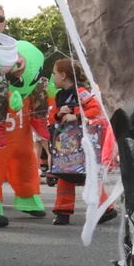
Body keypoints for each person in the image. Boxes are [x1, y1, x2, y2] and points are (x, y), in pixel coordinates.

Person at [48, 57, 113, 227]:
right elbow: (51, 117)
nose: (52, 78)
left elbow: (96, 109)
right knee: (64, 175)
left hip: (82, 140)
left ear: (63, 75)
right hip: (65, 142)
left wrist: (76, 115)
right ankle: (63, 211)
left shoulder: (81, 91)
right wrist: (59, 114)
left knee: (86, 174)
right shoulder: (59, 96)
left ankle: (106, 208)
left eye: (54, 74)